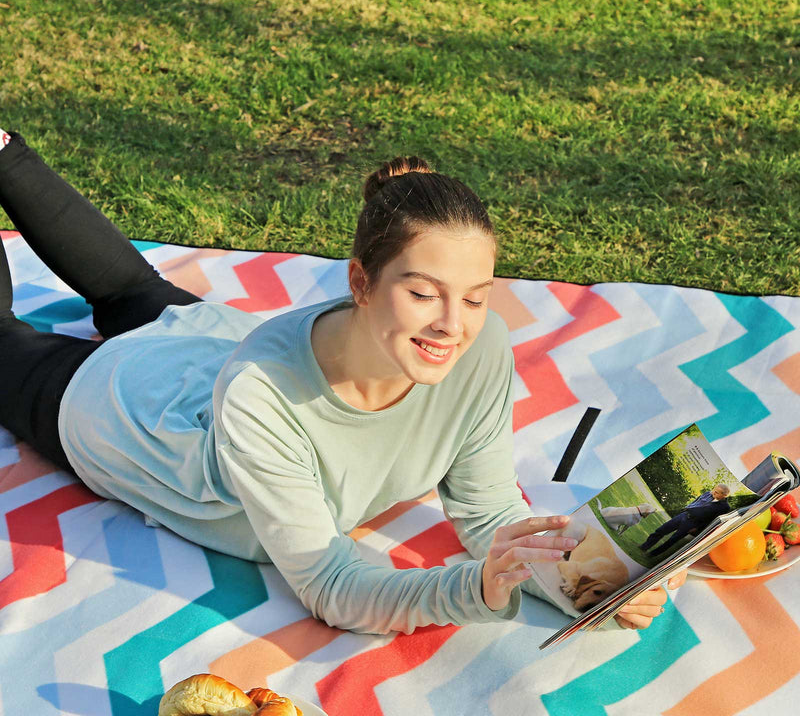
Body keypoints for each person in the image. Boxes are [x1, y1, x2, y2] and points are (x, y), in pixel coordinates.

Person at [0, 129, 683, 634]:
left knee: (131, 290)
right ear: (360, 281)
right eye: (424, 293)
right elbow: (329, 582)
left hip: (216, 346)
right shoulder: (262, 394)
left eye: (475, 297)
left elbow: (486, 512)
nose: (453, 325)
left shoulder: (480, 350)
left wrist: (584, 585)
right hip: (137, 419)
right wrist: (469, 590)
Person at [639, 484, 731, 555]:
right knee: (661, 530)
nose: (713, 492)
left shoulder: (724, 507)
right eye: (714, 490)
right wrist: (687, 508)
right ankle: (644, 546)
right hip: (684, 515)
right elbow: (696, 501)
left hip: (692, 524)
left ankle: (652, 554)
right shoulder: (708, 493)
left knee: (671, 540)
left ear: (724, 496)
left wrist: (698, 528)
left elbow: (712, 521)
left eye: (717, 492)